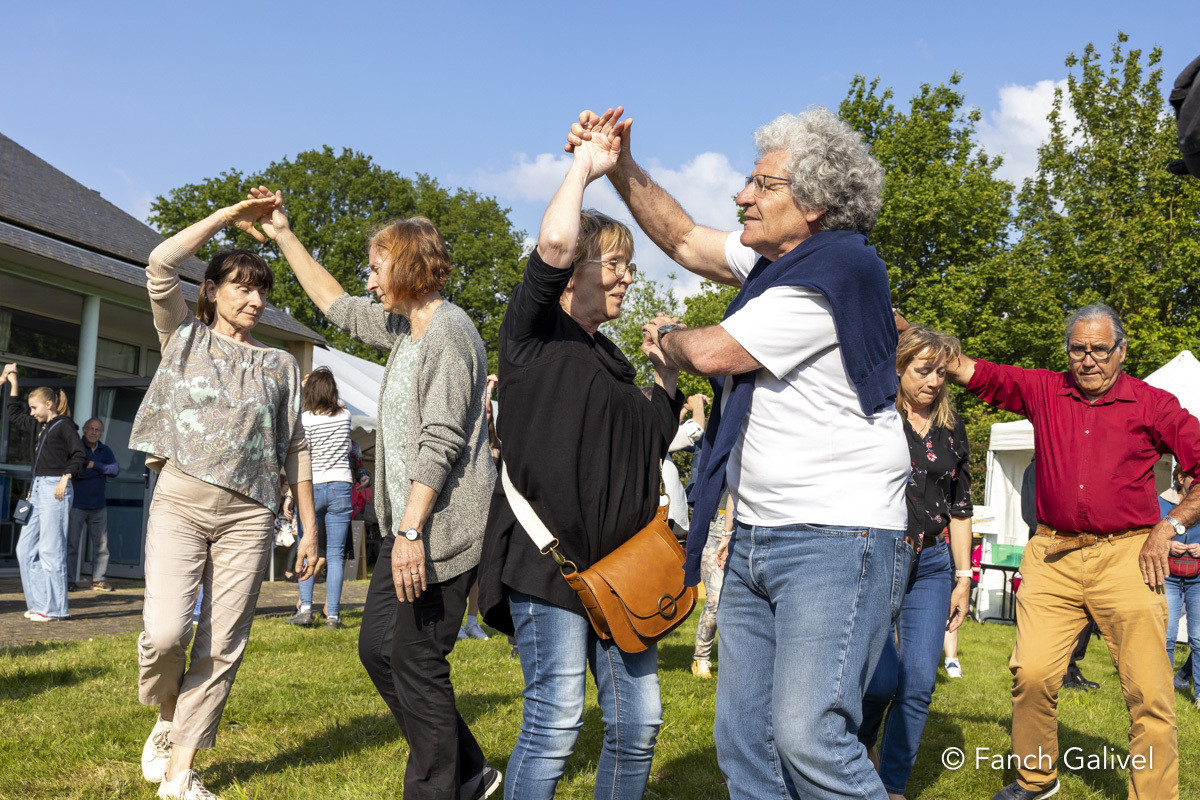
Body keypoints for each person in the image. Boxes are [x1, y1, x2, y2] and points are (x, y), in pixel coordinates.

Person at [570, 106, 910, 800]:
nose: (742, 195)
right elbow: (685, 238)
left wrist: (667, 336)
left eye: (763, 184)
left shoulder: (833, 273)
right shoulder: (778, 262)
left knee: (810, 737)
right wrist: (621, 166)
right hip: (758, 535)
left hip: (835, 536)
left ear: (813, 204)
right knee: (744, 743)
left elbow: (713, 351)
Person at [253, 187, 500, 800]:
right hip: (404, 531)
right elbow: (333, 302)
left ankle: (439, 789)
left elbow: (441, 440)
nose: (368, 275)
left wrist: (413, 531)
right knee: (378, 650)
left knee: (417, 663)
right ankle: (469, 770)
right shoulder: (404, 329)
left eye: (377, 264)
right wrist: (283, 234)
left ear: (411, 265)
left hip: (439, 531)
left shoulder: (450, 331)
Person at [477, 108, 683, 800]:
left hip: (622, 572)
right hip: (548, 567)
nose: (627, 278)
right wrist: (586, 167)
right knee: (557, 719)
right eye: (617, 265)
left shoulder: (613, 362)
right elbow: (558, 241)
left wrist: (666, 375)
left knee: (640, 726)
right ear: (577, 274)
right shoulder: (535, 336)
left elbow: (653, 440)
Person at [922, 302, 1200, 800]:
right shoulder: (1045, 389)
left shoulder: (1153, 403)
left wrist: (1171, 523)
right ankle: (1037, 779)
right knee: (1030, 674)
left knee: (1149, 692)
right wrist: (903, 326)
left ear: (1121, 352)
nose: (1088, 360)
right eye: (1078, 349)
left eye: (1099, 349)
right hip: (1051, 555)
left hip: (1128, 555)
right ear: (1067, 350)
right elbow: (969, 370)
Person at [128, 196, 320, 800]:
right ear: (211, 291)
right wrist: (229, 216)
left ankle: (182, 774)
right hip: (181, 501)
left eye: (261, 291)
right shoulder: (181, 336)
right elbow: (160, 262)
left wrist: (309, 526)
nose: (254, 300)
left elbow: (296, 447)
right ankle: (165, 717)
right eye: (240, 288)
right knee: (163, 634)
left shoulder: (281, 365)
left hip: (251, 515)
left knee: (223, 640)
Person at [858, 325, 974, 800]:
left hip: (933, 564)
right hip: (880, 556)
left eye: (941, 373)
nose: (934, 381)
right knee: (881, 679)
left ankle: (893, 786)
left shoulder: (952, 427)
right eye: (923, 370)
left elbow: (961, 506)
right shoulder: (874, 416)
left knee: (920, 679)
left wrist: (964, 577)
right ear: (899, 367)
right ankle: (859, 746)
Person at [3, 365, 87, 622]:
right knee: (25, 549)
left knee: (51, 549)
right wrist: (13, 382)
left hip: (55, 490)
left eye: (35, 408)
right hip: (37, 488)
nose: (32, 413)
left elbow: (80, 455)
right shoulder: (38, 425)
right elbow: (13, 413)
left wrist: (65, 476)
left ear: (49, 404)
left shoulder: (64, 427)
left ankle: (55, 609)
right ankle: (39, 604)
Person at [1019, 460, 1100, 690]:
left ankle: (1071, 668)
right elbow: (1030, 514)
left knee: (1084, 615)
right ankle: (1056, 669)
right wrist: (1056, 539)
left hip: (1078, 551)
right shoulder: (1037, 468)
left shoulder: (1068, 469)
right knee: (1051, 617)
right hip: (1049, 552)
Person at [286, 367, 354, 629]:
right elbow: (340, 404)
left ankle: (304, 609)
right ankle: (333, 616)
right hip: (341, 486)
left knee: (307, 547)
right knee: (335, 556)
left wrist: (305, 388)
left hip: (312, 487)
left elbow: (303, 457)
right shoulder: (345, 416)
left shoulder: (305, 420)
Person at [1161, 465, 1200, 707]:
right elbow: (1146, 536)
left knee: (1199, 638)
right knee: (1166, 637)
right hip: (1168, 577)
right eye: (1193, 478)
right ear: (1179, 478)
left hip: (1198, 579)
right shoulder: (1160, 503)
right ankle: (1163, 693)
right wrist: (1166, 545)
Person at [67, 417, 119, 592]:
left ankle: (98, 579)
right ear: (84, 430)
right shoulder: (77, 447)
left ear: (101, 433)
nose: (94, 432)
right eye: (91, 429)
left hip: (98, 506)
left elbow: (115, 470)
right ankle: (68, 581)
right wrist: (99, 471)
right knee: (72, 545)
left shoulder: (106, 450)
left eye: (98, 430)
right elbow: (76, 472)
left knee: (101, 546)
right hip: (77, 504)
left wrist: (94, 465)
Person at [692, 492, 733, 679]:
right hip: (716, 527)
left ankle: (737, 660)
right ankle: (700, 658)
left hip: (747, 528)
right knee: (715, 601)